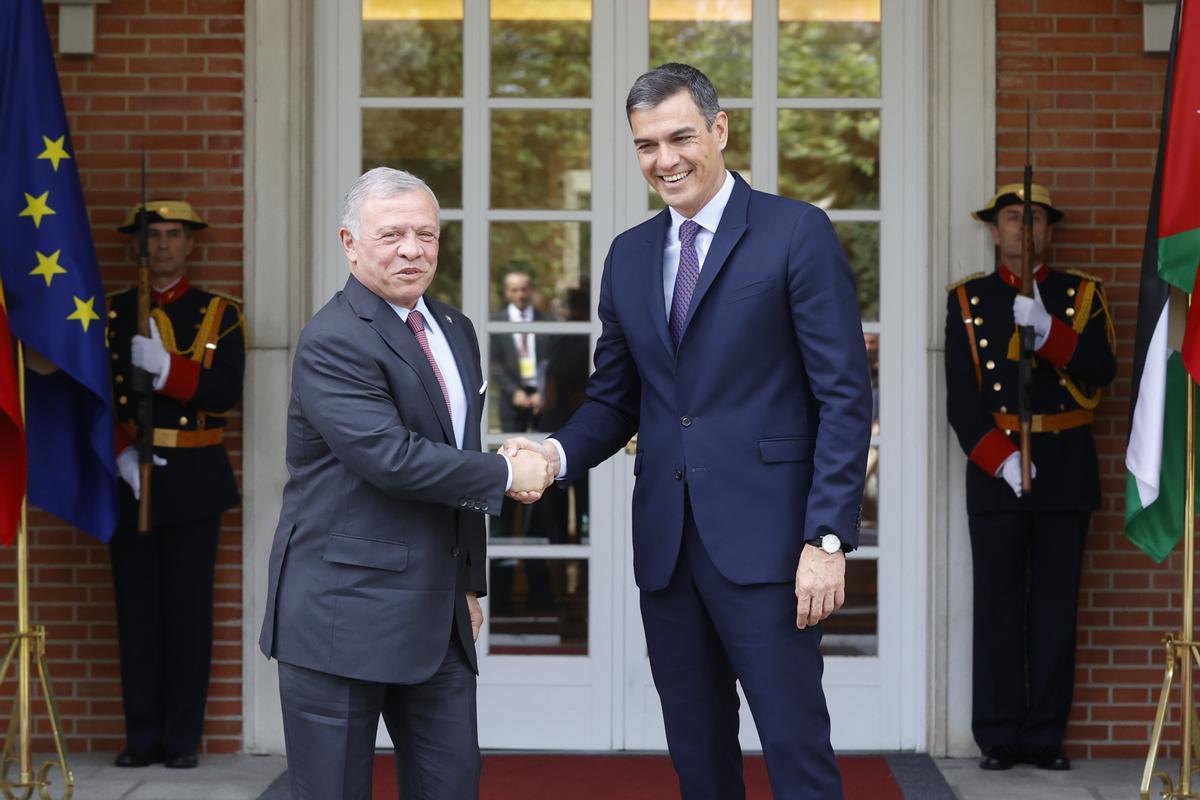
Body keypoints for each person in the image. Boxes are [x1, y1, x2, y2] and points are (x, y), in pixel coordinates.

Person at [504, 64, 871, 800]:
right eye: (646, 145)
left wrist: (826, 540)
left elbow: (844, 397)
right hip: (668, 552)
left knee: (797, 754)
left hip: (773, 552)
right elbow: (615, 400)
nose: (664, 160)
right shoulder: (630, 255)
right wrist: (552, 452)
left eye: (679, 137)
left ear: (720, 129)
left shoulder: (794, 231)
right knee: (698, 759)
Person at [257, 168, 553, 800]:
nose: (412, 249)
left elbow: (455, 455)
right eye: (391, 234)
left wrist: (468, 583)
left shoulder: (456, 329)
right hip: (341, 617)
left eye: (426, 233)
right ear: (350, 243)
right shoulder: (332, 339)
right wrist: (506, 473)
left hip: (438, 616)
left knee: (451, 786)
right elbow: (392, 459)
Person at [944, 184, 1115, 771]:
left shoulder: (1080, 295)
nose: (1023, 227)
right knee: (996, 607)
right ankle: (998, 736)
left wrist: (1049, 330)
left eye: (1035, 218)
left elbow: (1102, 371)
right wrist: (1003, 459)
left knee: (1054, 610)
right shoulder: (968, 300)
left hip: (1065, 466)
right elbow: (962, 402)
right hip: (998, 472)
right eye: (1012, 217)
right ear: (995, 230)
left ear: (1050, 230)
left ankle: (1044, 737)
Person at [107, 200, 245, 769]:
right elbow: (91, 393)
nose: (161, 245)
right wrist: (117, 451)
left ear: (190, 244)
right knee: (135, 614)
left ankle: (181, 740)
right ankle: (142, 738)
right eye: (152, 236)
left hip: (192, 477)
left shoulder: (219, 313)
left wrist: (167, 370)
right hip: (129, 477)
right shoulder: (110, 313)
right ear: (138, 245)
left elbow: (225, 392)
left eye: (172, 235)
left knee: (187, 616)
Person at [491, 269, 551, 433]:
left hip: (541, 397)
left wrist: (542, 392)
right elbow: (494, 363)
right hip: (511, 398)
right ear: (506, 293)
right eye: (514, 290)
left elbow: (551, 359)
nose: (520, 295)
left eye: (524, 289)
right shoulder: (496, 322)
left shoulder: (546, 320)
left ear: (531, 290)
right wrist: (514, 391)